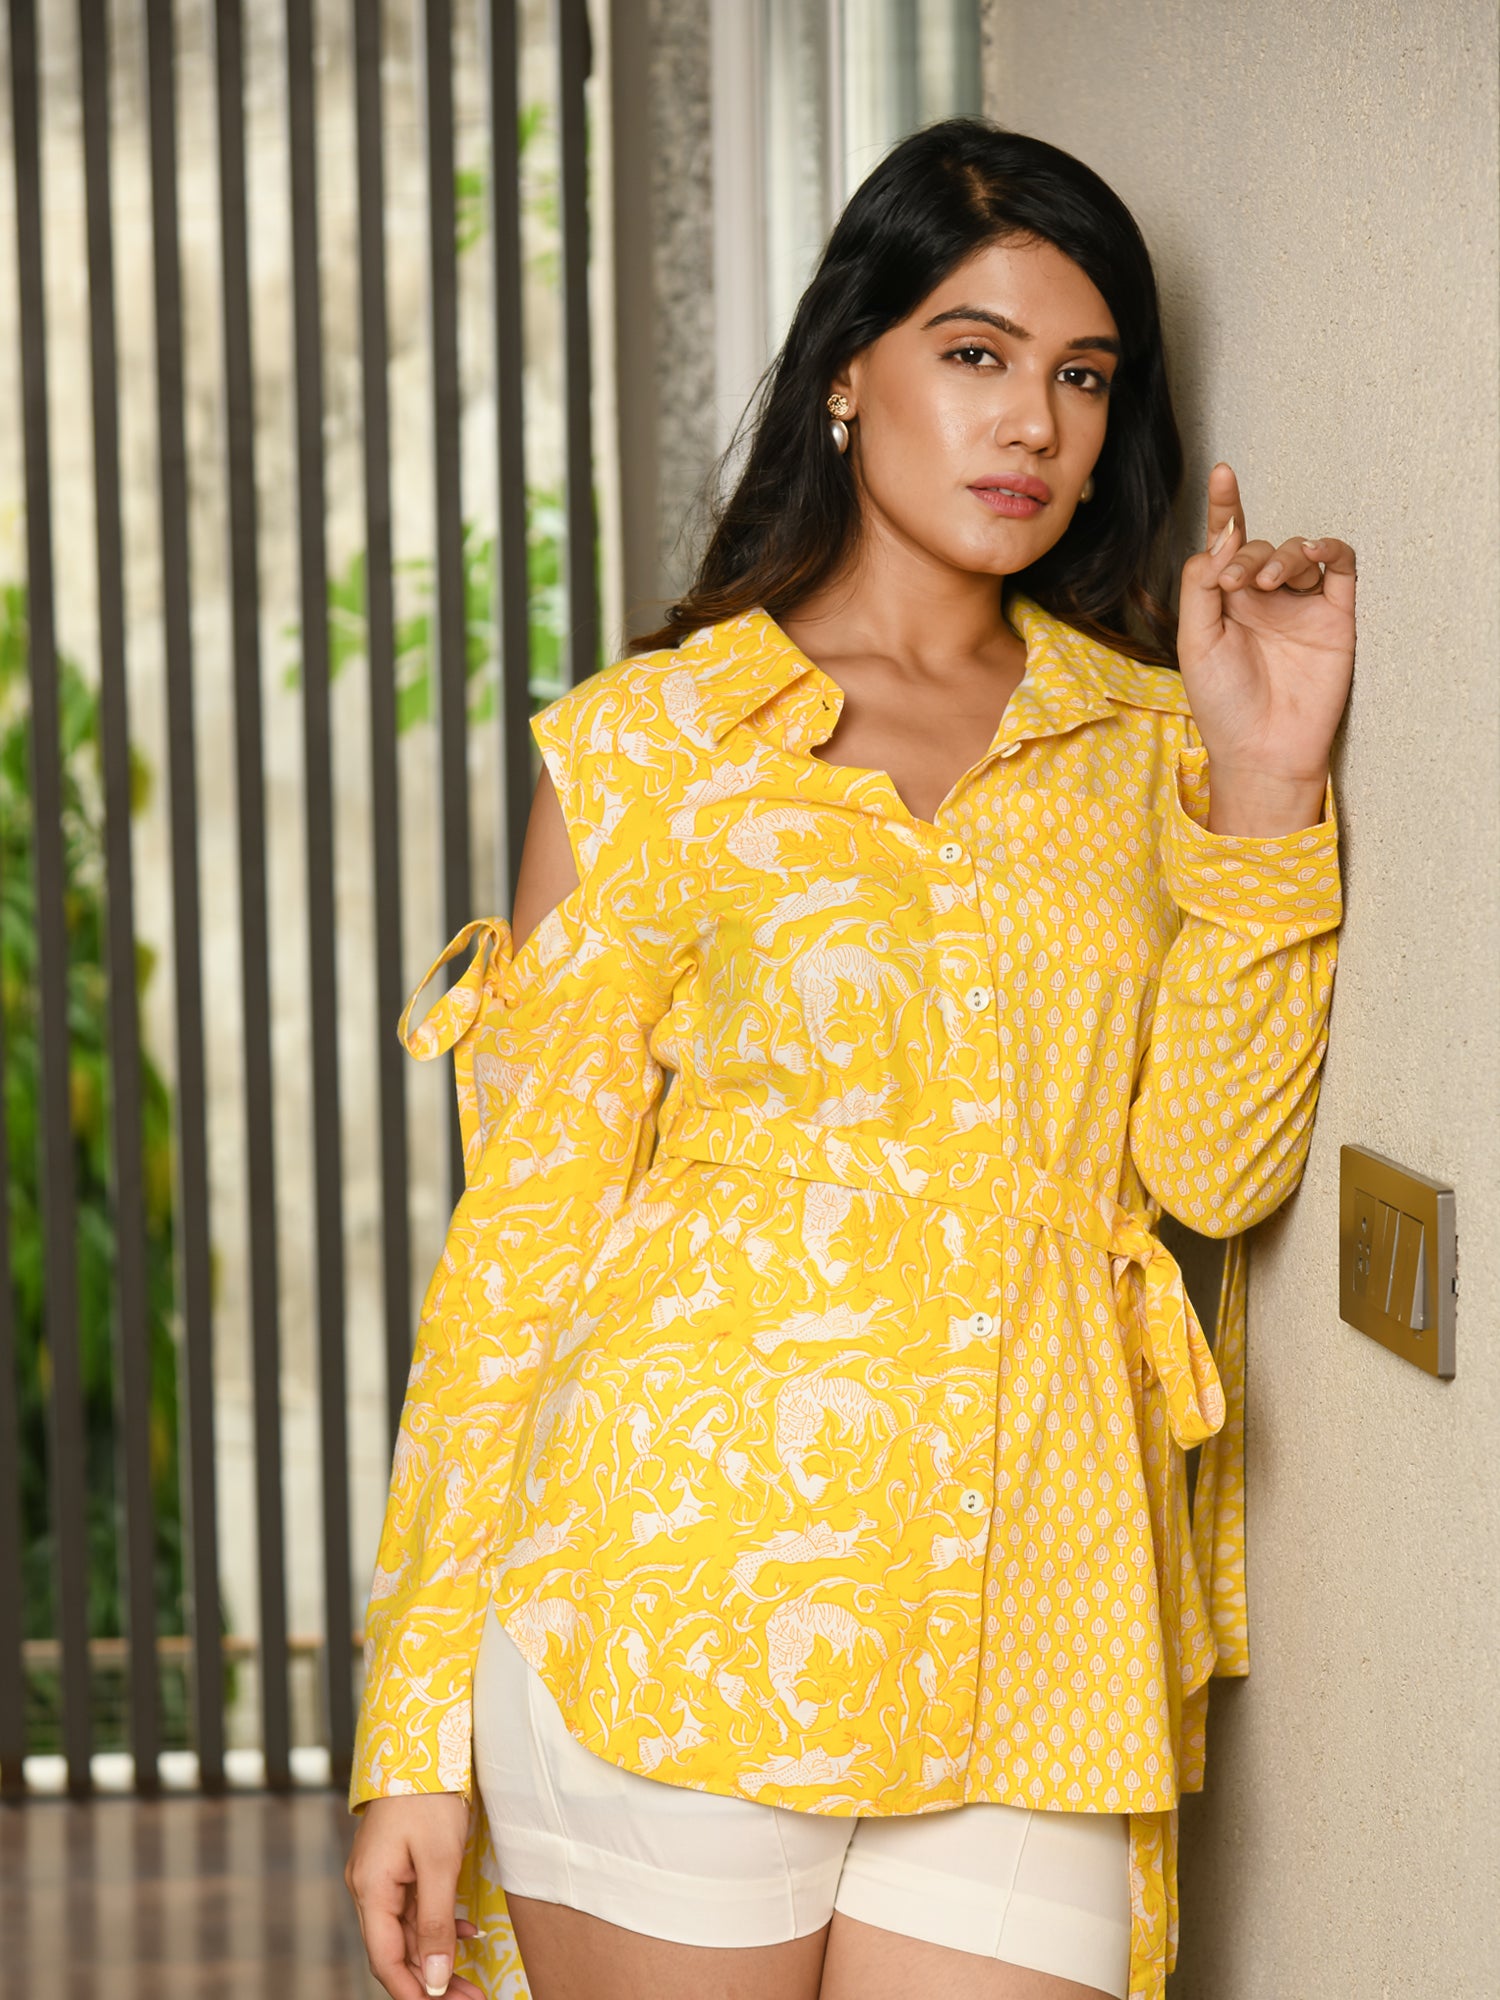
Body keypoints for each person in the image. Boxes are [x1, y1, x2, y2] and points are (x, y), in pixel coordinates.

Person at [344, 119, 1352, 2000]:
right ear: (844, 375)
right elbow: (519, 1255)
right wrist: (411, 1730)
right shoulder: (652, 747)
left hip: (1041, 1614)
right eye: (975, 354)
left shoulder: (1155, 742)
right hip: (665, 1591)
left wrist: (1273, 776)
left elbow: (1215, 1170)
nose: (1031, 423)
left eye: (1083, 377)